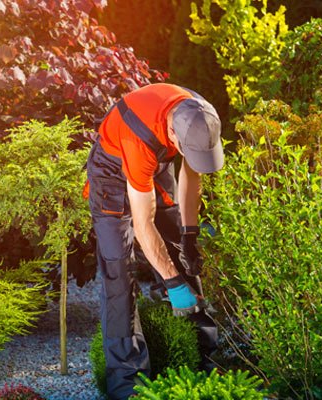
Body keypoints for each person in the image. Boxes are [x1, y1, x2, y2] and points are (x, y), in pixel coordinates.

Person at [85, 83, 223, 400]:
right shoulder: (139, 138)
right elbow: (143, 224)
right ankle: (127, 384)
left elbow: (191, 178)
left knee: (178, 252)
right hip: (112, 172)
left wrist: (190, 235)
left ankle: (201, 360)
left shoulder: (200, 117)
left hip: (155, 163)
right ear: (173, 136)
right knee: (120, 271)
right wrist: (173, 284)